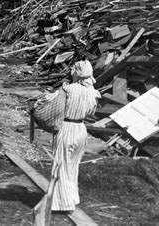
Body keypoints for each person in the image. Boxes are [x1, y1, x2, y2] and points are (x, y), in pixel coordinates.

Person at [51, 60, 101, 212]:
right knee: (73, 165)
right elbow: (91, 113)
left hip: (67, 126)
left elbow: (56, 108)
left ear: (77, 73)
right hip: (81, 128)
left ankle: (61, 203)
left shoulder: (68, 89)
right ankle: (72, 197)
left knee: (60, 164)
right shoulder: (93, 92)